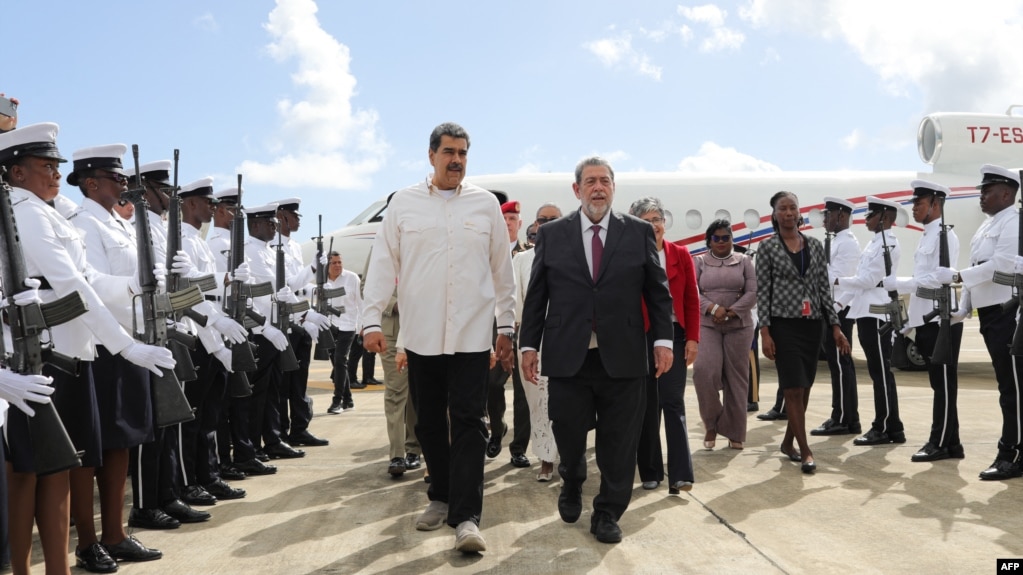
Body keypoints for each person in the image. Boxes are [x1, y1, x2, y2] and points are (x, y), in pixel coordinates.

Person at [2, 127, 175, 573]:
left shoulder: (48, 213)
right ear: (16, 172)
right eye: (46, 167)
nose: (56, 174)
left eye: (57, 166)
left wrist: (132, 286)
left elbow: (90, 280)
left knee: (58, 469)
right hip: (43, 360)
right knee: (29, 474)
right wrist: (126, 345)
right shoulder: (27, 212)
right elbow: (73, 286)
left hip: (69, 355)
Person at [361, 122, 515, 553]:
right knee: (428, 421)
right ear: (431, 155)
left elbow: (503, 271)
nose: (457, 160)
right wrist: (371, 320)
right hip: (422, 334)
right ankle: (441, 496)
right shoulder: (404, 205)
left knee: (469, 421)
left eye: (463, 153)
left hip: (471, 335)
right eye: (449, 152)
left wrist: (506, 327)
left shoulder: (484, 206)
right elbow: (381, 264)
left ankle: (466, 517)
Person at [520, 157, 674, 544]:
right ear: (577, 190)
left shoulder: (637, 232)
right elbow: (537, 294)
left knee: (619, 440)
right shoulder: (553, 234)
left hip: (623, 354)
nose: (598, 187)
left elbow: (657, 291)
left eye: (605, 181)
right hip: (568, 354)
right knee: (568, 430)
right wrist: (528, 344)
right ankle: (572, 479)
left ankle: (607, 512)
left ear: (613, 188)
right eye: (590, 181)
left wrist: (662, 340)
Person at [938, 164, 1023, 480]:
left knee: (1012, 388)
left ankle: (1011, 454)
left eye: (987, 191)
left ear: (1006, 193)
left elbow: (1000, 265)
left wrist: (958, 276)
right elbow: (978, 270)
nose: (981, 196)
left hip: (1008, 314)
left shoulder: (1013, 222)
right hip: (990, 315)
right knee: (1007, 385)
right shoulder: (987, 226)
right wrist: (964, 309)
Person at [757, 191, 850, 474]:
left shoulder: (814, 245)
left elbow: (824, 289)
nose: (788, 213)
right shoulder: (768, 248)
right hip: (783, 325)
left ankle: (788, 442)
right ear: (774, 215)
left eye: (792, 208)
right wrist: (765, 332)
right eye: (782, 209)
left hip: (813, 325)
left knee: (805, 386)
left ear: (799, 213)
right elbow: (762, 291)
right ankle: (806, 450)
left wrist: (836, 327)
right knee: (793, 387)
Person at [885, 180, 964, 462]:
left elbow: (936, 280)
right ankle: (952, 443)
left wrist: (902, 283)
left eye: (919, 203)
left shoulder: (945, 236)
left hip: (942, 320)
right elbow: (925, 286)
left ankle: (939, 442)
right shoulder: (926, 236)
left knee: (943, 384)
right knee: (938, 383)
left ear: (935, 203)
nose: (914, 207)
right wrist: (909, 322)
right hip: (928, 320)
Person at [629, 198, 700, 495]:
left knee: (673, 401)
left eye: (657, 218)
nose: (654, 225)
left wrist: (693, 338)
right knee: (645, 405)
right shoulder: (629, 256)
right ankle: (651, 470)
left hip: (674, 334)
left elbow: (691, 300)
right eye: (645, 221)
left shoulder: (681, 254)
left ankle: (681, 474)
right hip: (640, 335)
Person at [835, 196, 906, 447]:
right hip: (866, 312)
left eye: (871, 216)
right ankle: (893, 426)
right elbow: (862, 280)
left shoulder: (888, 244)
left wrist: (837, 282)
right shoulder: (874, 244)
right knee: (879, 372)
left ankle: (884, 427)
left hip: (877, 314)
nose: (866, 219)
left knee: (880, 372)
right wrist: (840, 302)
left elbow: (867, 280)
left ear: (885, 218)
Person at [693, 219, 756, 455]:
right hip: (707, 325)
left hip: (739, 325)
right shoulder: (699, 262)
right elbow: (693, 292)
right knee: (704, 372)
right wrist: (713, 309)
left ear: (732, 239)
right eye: (716, 238)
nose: (721, 242)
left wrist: (732, 311)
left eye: (726, 237)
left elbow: (752, 291)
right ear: (709, 240)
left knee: (737, 379)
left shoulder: (745, 261)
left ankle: (735, 432)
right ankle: (712, 424)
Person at [273, 198, 331, 447]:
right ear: (281, 216)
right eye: (293, 216)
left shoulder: (295, 247)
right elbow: (285, 287)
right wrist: (312, 270)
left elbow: (299, 288)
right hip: (285, 322)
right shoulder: (274, 247)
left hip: (301, 323)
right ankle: (281, 432)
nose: (297, 220)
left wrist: (317, 289)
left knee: (299, 383)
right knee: (282, 385)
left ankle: (299, 428)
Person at [512, 202, 563, 482]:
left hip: (567, 338)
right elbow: (518, 304)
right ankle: (545, 458)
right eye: (542, 220)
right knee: (538, 401)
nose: (547, 224)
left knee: (566, 400)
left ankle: (567, 454)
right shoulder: (522, 260)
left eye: (553, 219)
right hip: (534, 338)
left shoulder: (575, 255)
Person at [811, 197, 862, 437]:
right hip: (830, 308)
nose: (824, 219)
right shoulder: (836, 242)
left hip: (838, 310)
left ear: (841, 216)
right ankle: (846, 417)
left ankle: (843, 418)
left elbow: (840, 278)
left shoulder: (848, 244)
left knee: (841, 366)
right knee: (838, 365)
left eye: (828, 214)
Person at [486, 200, 531, 467]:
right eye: (503, 220)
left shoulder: (530, 253)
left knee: (523, 390)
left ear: (519, 224)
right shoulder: (488, 254)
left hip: (524, 328)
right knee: (492, 384)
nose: (507, 224)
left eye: (512, 219)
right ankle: (497, 429)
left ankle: (518, 447)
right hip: (496, 328)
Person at [323, 251, 363, 415]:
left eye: (340, 262)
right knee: (338, 364)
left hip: (348, 325)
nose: (338, 265)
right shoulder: (322, 281)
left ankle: (337, 400)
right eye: (334, 263)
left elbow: (361, 303)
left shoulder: (352, 278)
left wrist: (363, 326)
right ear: (327, 265)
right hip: (329, 326)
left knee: (340, 360)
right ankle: (348, 399)